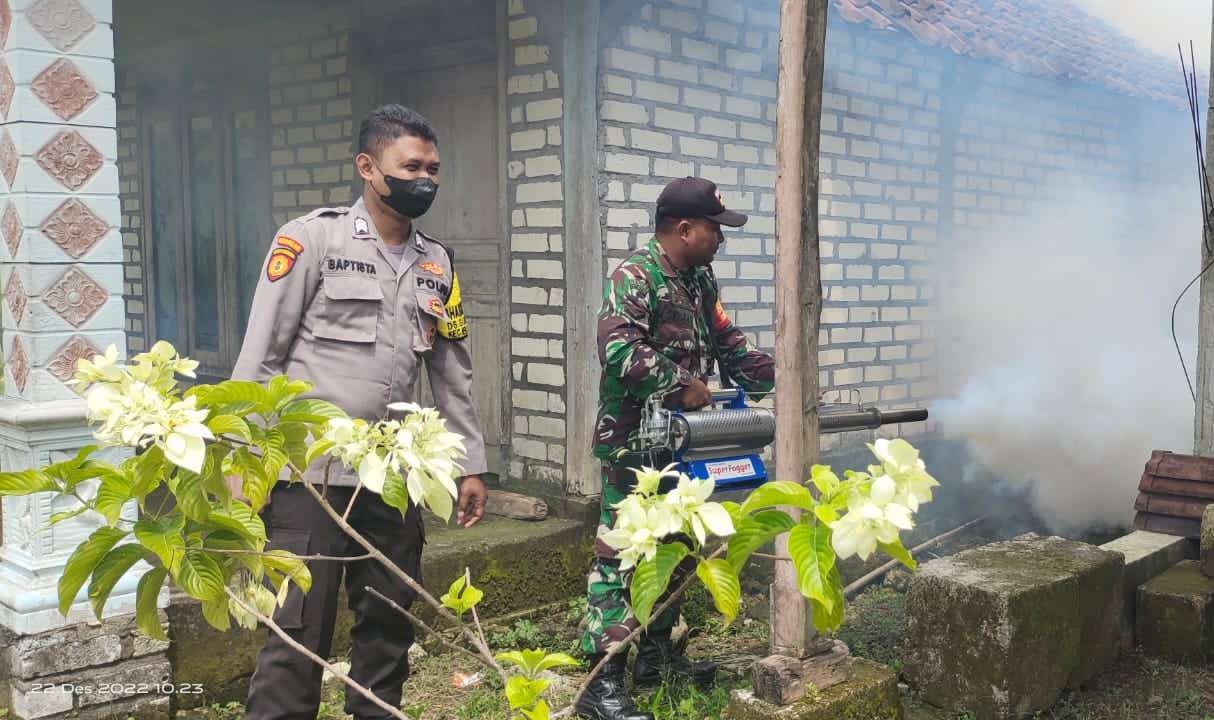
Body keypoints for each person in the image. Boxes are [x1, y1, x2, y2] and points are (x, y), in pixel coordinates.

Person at [232, 104, 488, 720]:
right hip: (309, 481)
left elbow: (452, 373)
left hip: (392, 482)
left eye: (433, 168)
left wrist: (470, 465)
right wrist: (243, 461)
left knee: (388, 632)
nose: (424, 179)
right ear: (368, 168)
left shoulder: (438, 263)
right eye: (411, 166)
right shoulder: (310, 240)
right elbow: (261, 357)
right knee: (296, 640)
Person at [576, 177, 775, 720]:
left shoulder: (699, 280)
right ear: (684, 229)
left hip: (683, 444)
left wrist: (787, 375)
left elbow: (729, 343)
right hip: (634, 444)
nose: (721, 239)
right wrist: (678, 382)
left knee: (675, 549)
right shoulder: (636, 276)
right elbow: (617, 347)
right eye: (715, 229)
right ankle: (602, 679)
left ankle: (656, 658)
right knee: (621, 554)